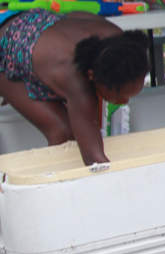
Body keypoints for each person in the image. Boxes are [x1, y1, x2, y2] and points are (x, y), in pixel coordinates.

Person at [0, 9, 148, 164]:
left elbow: (75, 15)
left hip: (31, 23)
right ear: (91, 75)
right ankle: (53, 177)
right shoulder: (76, 81)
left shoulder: (120, 45)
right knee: (63, 131)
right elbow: (94, 159)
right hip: (6, 46)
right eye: (119, 96)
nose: (124, 102)